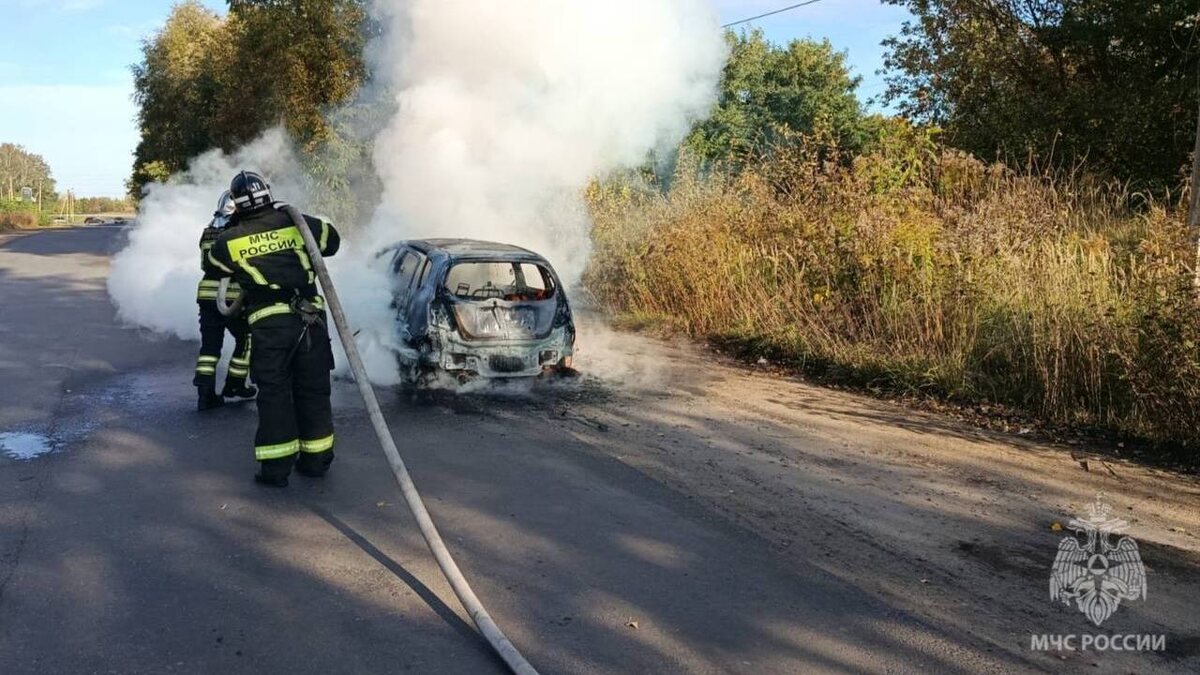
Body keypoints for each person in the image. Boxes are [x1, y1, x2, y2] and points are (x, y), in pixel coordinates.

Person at [206, 171, 341, 487]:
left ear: (236, 206)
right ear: (269, 193)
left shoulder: (229, 240)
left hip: (269, 328)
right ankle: (317, 461)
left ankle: (276, 470)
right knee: (314, 391)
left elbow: (213, 265)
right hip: (311, 323)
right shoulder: (298, 223)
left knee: (275, 395)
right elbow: (332, 241)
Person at [194, 191, 256, 411]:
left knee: (210, 347)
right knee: (246, 338)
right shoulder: (238, 232)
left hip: (206, 297)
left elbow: (205, 265)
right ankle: (235, 384)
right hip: (232, 298)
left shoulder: (208, 230)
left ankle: (205, 394)